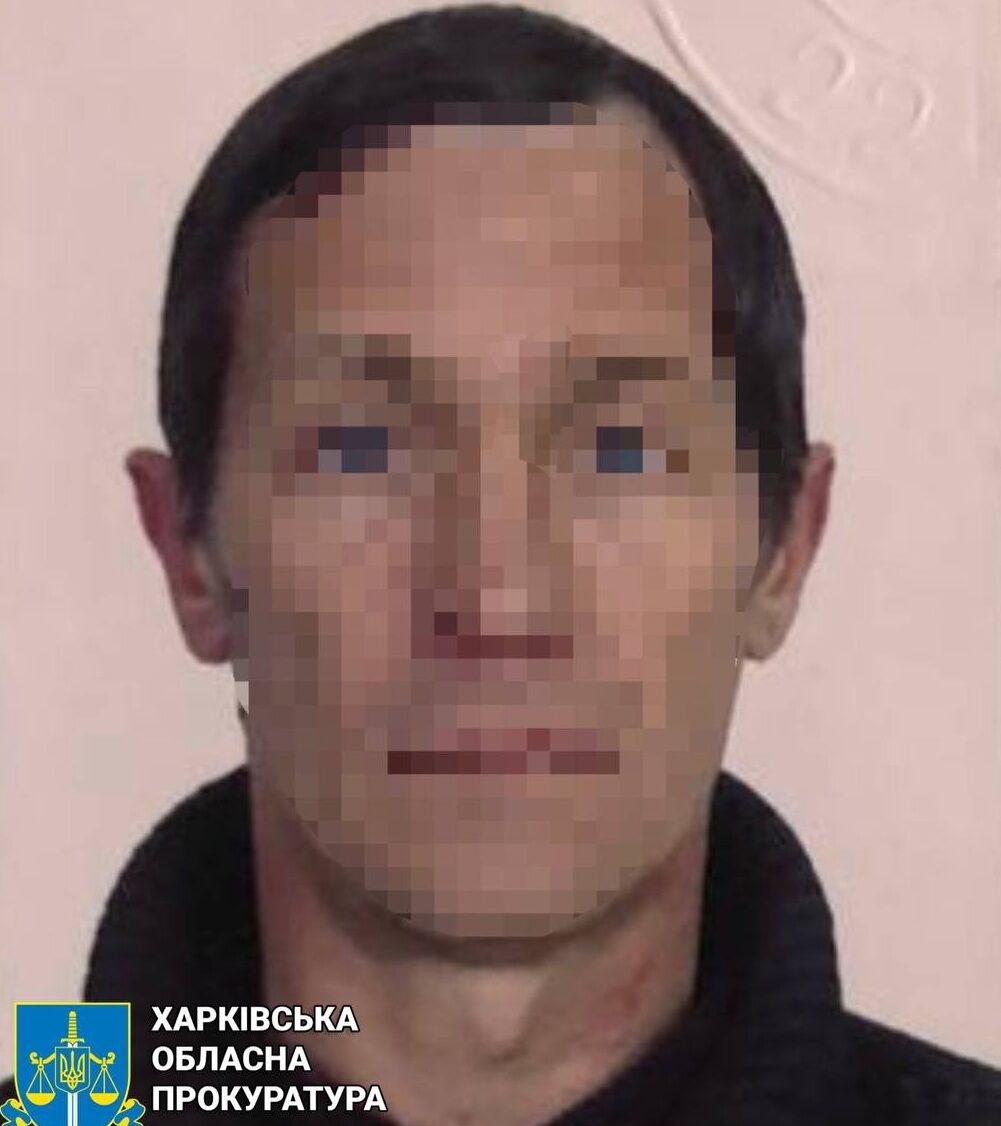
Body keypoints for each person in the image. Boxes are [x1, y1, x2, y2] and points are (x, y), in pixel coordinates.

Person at [3, 5, 999, 1124]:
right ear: (187, 552)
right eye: (359, 449)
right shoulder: (61, 1099)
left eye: (621, 452)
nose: (496, 602)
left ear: (783, 551)